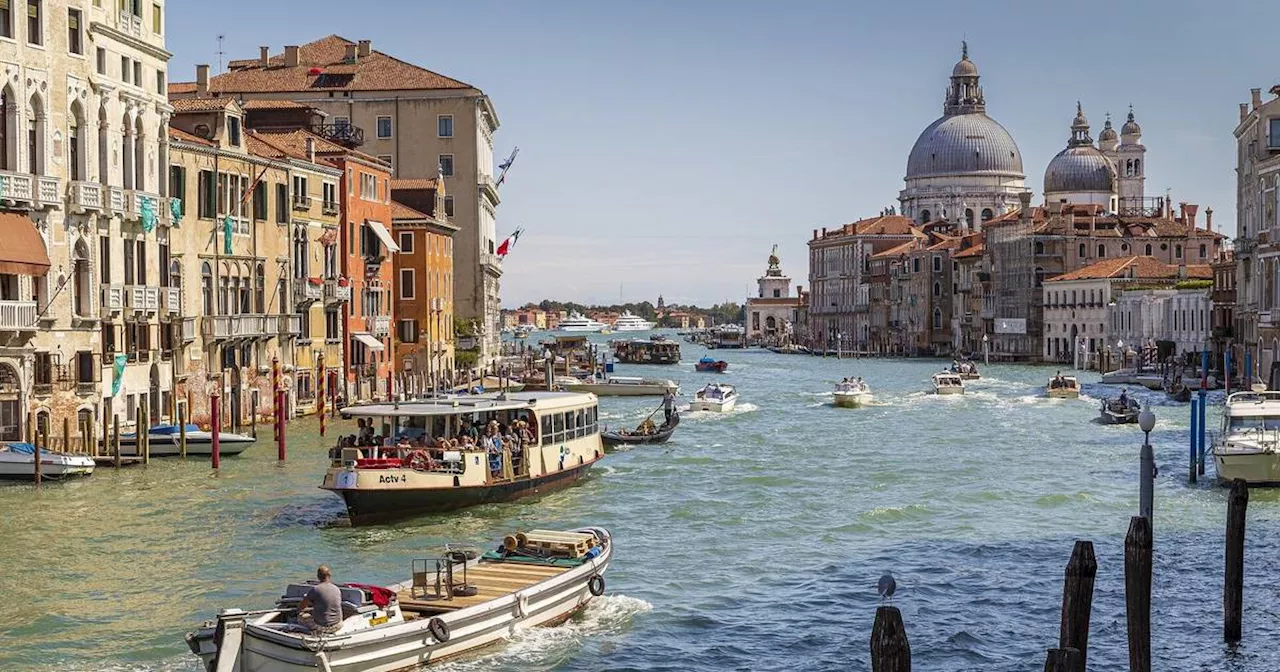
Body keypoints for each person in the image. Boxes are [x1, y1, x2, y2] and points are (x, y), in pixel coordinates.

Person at [297, 565, 344, 634]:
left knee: (301, 616)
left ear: (318, 576)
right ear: (329, 575)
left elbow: (302, 607)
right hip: (338, 625)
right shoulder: (337, 589)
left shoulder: (316, 589)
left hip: (323, 628)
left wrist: (299, 608)